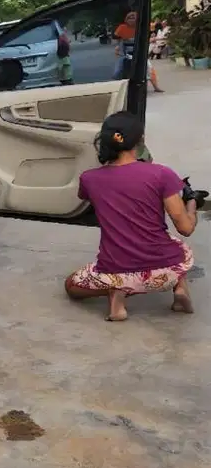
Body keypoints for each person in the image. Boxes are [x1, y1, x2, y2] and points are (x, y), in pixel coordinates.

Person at [64, 111, 197, 322]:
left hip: (116, 270)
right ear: (141, 141)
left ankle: (118, 293)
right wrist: (191, 205)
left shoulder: (89, 179)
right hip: (167, 271)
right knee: (177, 245)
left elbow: (99, 199)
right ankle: (180, 288)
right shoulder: (161, 174)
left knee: (71, 286)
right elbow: (186, 228)